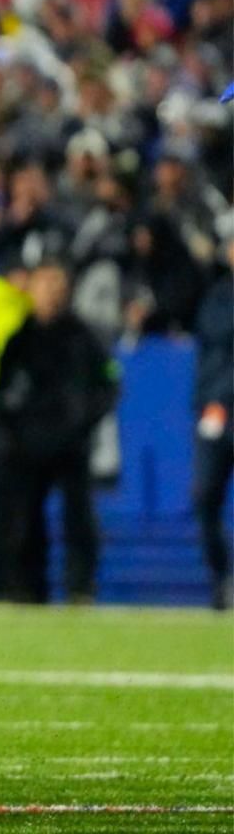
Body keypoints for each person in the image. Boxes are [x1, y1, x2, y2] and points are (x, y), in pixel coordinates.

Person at [0, 257, 117, 603]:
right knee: (26, 522)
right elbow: (0, 392)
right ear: (30, 289)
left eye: (58, 286)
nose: (52, 294)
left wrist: (84, 420)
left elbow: (107, 385)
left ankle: (80, 588)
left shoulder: (82, 336)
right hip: (29, 447)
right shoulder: (20, 339)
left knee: (79, 520)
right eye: (45, 285)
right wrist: (16, 430)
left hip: (71, 445)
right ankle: (29, 590)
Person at [195, 235, 234, 611]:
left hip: (220, 408)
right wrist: (208, 402)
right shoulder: (216, 296)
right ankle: (222, 579)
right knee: (204, 497)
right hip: (216, 415)